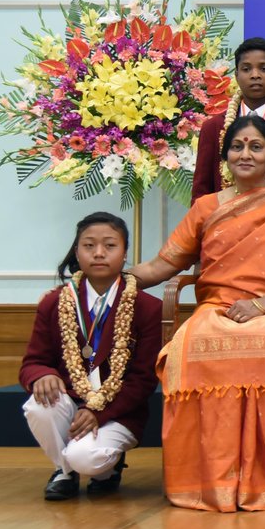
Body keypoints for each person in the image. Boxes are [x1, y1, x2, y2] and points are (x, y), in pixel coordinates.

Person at [131, 115, 265, 511]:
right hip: (218, 307)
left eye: (256, 147)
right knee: (193, 346)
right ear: (224, 156)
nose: (245, 154)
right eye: (237, 146)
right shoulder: (206, 207)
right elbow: (161, 267)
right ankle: (210, 480)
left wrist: (264, 305)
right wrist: (111, 277)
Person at [20, 212, 162, 501]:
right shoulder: (54, 302)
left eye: (110, 246)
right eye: (89, 246)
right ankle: (64, 472)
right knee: (37, 406)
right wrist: (42, 375)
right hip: (70, 403)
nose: (99, 253)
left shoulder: (147, 307)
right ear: (77, 252)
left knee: (86, 458)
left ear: (124, 254)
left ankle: (104, 470)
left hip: (119, 411)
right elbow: (32, 363)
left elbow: (143, 380)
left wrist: (100, 413)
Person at [192, 37, 265, 203]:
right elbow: (201, 191)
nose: (255, 75)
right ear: (236, 75)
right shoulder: (213, 127)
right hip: (223, 222)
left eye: (263, 69)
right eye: (246, 69)